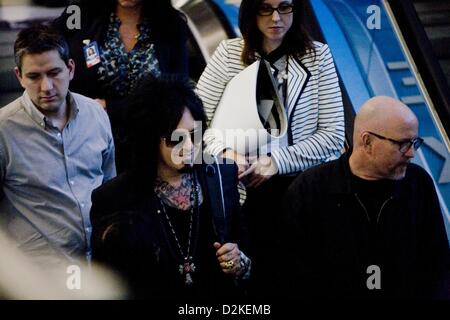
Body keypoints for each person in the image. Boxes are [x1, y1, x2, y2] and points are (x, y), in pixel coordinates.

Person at [196, 0, 345, 295]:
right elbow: (195, 125)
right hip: (240, 191)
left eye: (285, 7)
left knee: (299, 279)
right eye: (265, 8)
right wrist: (226, 154)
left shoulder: (318, 57)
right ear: (251, 11)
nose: (276, 17)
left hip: (300, 189)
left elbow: (334, 135)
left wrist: (275, 161)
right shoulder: (228, 55)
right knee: (251, 282)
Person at [90, 76, 251, 299]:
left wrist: (239, 263)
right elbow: (108, 283)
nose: (188, 147)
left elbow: (243, 253)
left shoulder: (221, 175)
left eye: (194, 135)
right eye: (176, 139)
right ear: (150, 138)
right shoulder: (113, 198)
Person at [282, 96, 450, 299]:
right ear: (367, 141)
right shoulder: (309, 190)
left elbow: (437, 264)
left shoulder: (418, 183)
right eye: (403, 144)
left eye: (415, 142)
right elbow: (292, 277)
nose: (411, 153)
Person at [0, 25, 116, 270]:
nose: (47, 87)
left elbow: (109, 185)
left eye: (54, 73)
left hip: (100, 266)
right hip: (39, 277)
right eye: (34, 76)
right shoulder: (3, 131)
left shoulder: (96, 114)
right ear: (19, 76)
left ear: (71, 69)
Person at [54, 0, 189, 172]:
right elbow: (49, 54)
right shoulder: (79, 15)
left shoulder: (172, 25)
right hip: (88, 141)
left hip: (150, 147)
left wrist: (111, 108)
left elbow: (176, 94)